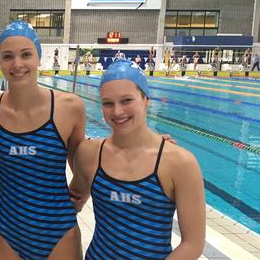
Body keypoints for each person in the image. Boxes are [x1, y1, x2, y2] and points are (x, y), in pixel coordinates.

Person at [70, 60, 205, 259]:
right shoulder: (90, 153)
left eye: (126, 100)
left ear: (146, 99)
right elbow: (71, 202)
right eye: (108, 103)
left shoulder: (179, 163)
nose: (117, 111)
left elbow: (193, 244)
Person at [0, 21, 86, 259]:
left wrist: (78, 199)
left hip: (59, 231)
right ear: (0, 61)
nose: (17, 64)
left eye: (26, 54)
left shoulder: (69, 107)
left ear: (38, 57)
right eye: (8, 56)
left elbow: (85, 167)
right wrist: (12, 203)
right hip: (8, 231)